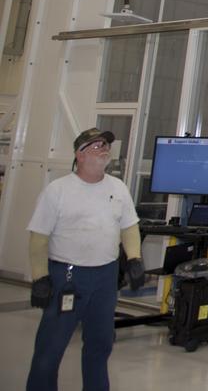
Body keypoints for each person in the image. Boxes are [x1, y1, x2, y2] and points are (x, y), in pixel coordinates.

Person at [27, 128, 146, 391]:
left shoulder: (118, 188)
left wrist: (135, 259)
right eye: (96, 146)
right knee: (51, 347)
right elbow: (38, 237)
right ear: (79, 155)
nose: (104, 149)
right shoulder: (58, 191)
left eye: (106, 145)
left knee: (101, 344)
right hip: (67, 277)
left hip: (105, 277)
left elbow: (129, 227)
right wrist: (40, 277)